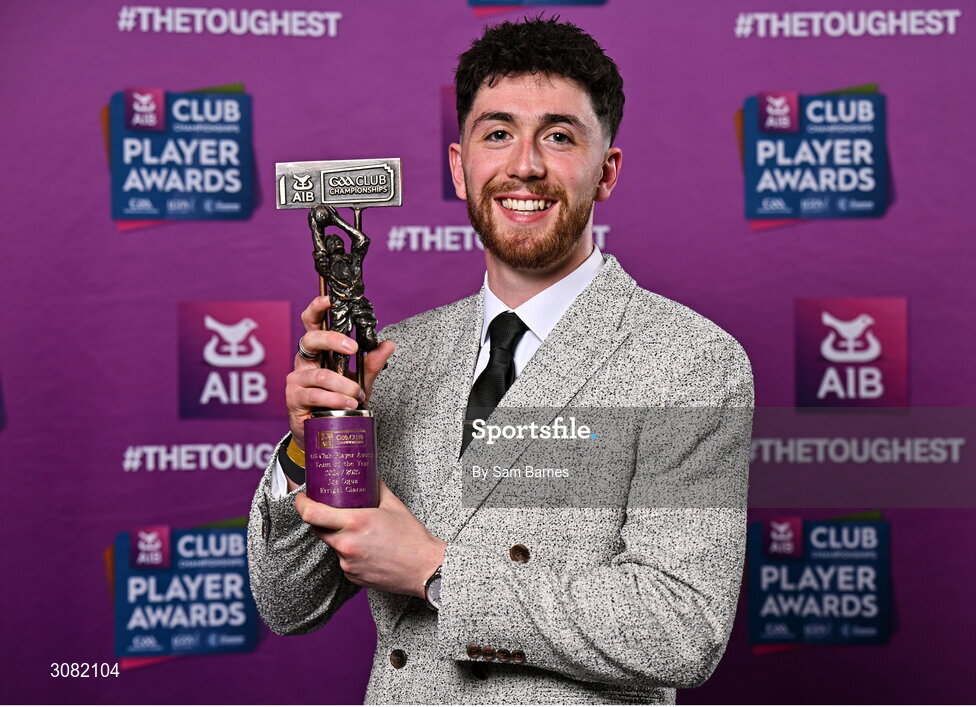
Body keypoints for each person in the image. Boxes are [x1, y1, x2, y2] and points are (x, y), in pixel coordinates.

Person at [248, 17, 753, 705]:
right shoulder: (394, 357)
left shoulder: (691, 361)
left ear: (606, 172)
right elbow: (288, 603)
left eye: (559, 135)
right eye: (497, 133)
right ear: (459, 168)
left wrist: (435, 569)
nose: (524, 165)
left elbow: (680, 627)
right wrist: (313, 447)